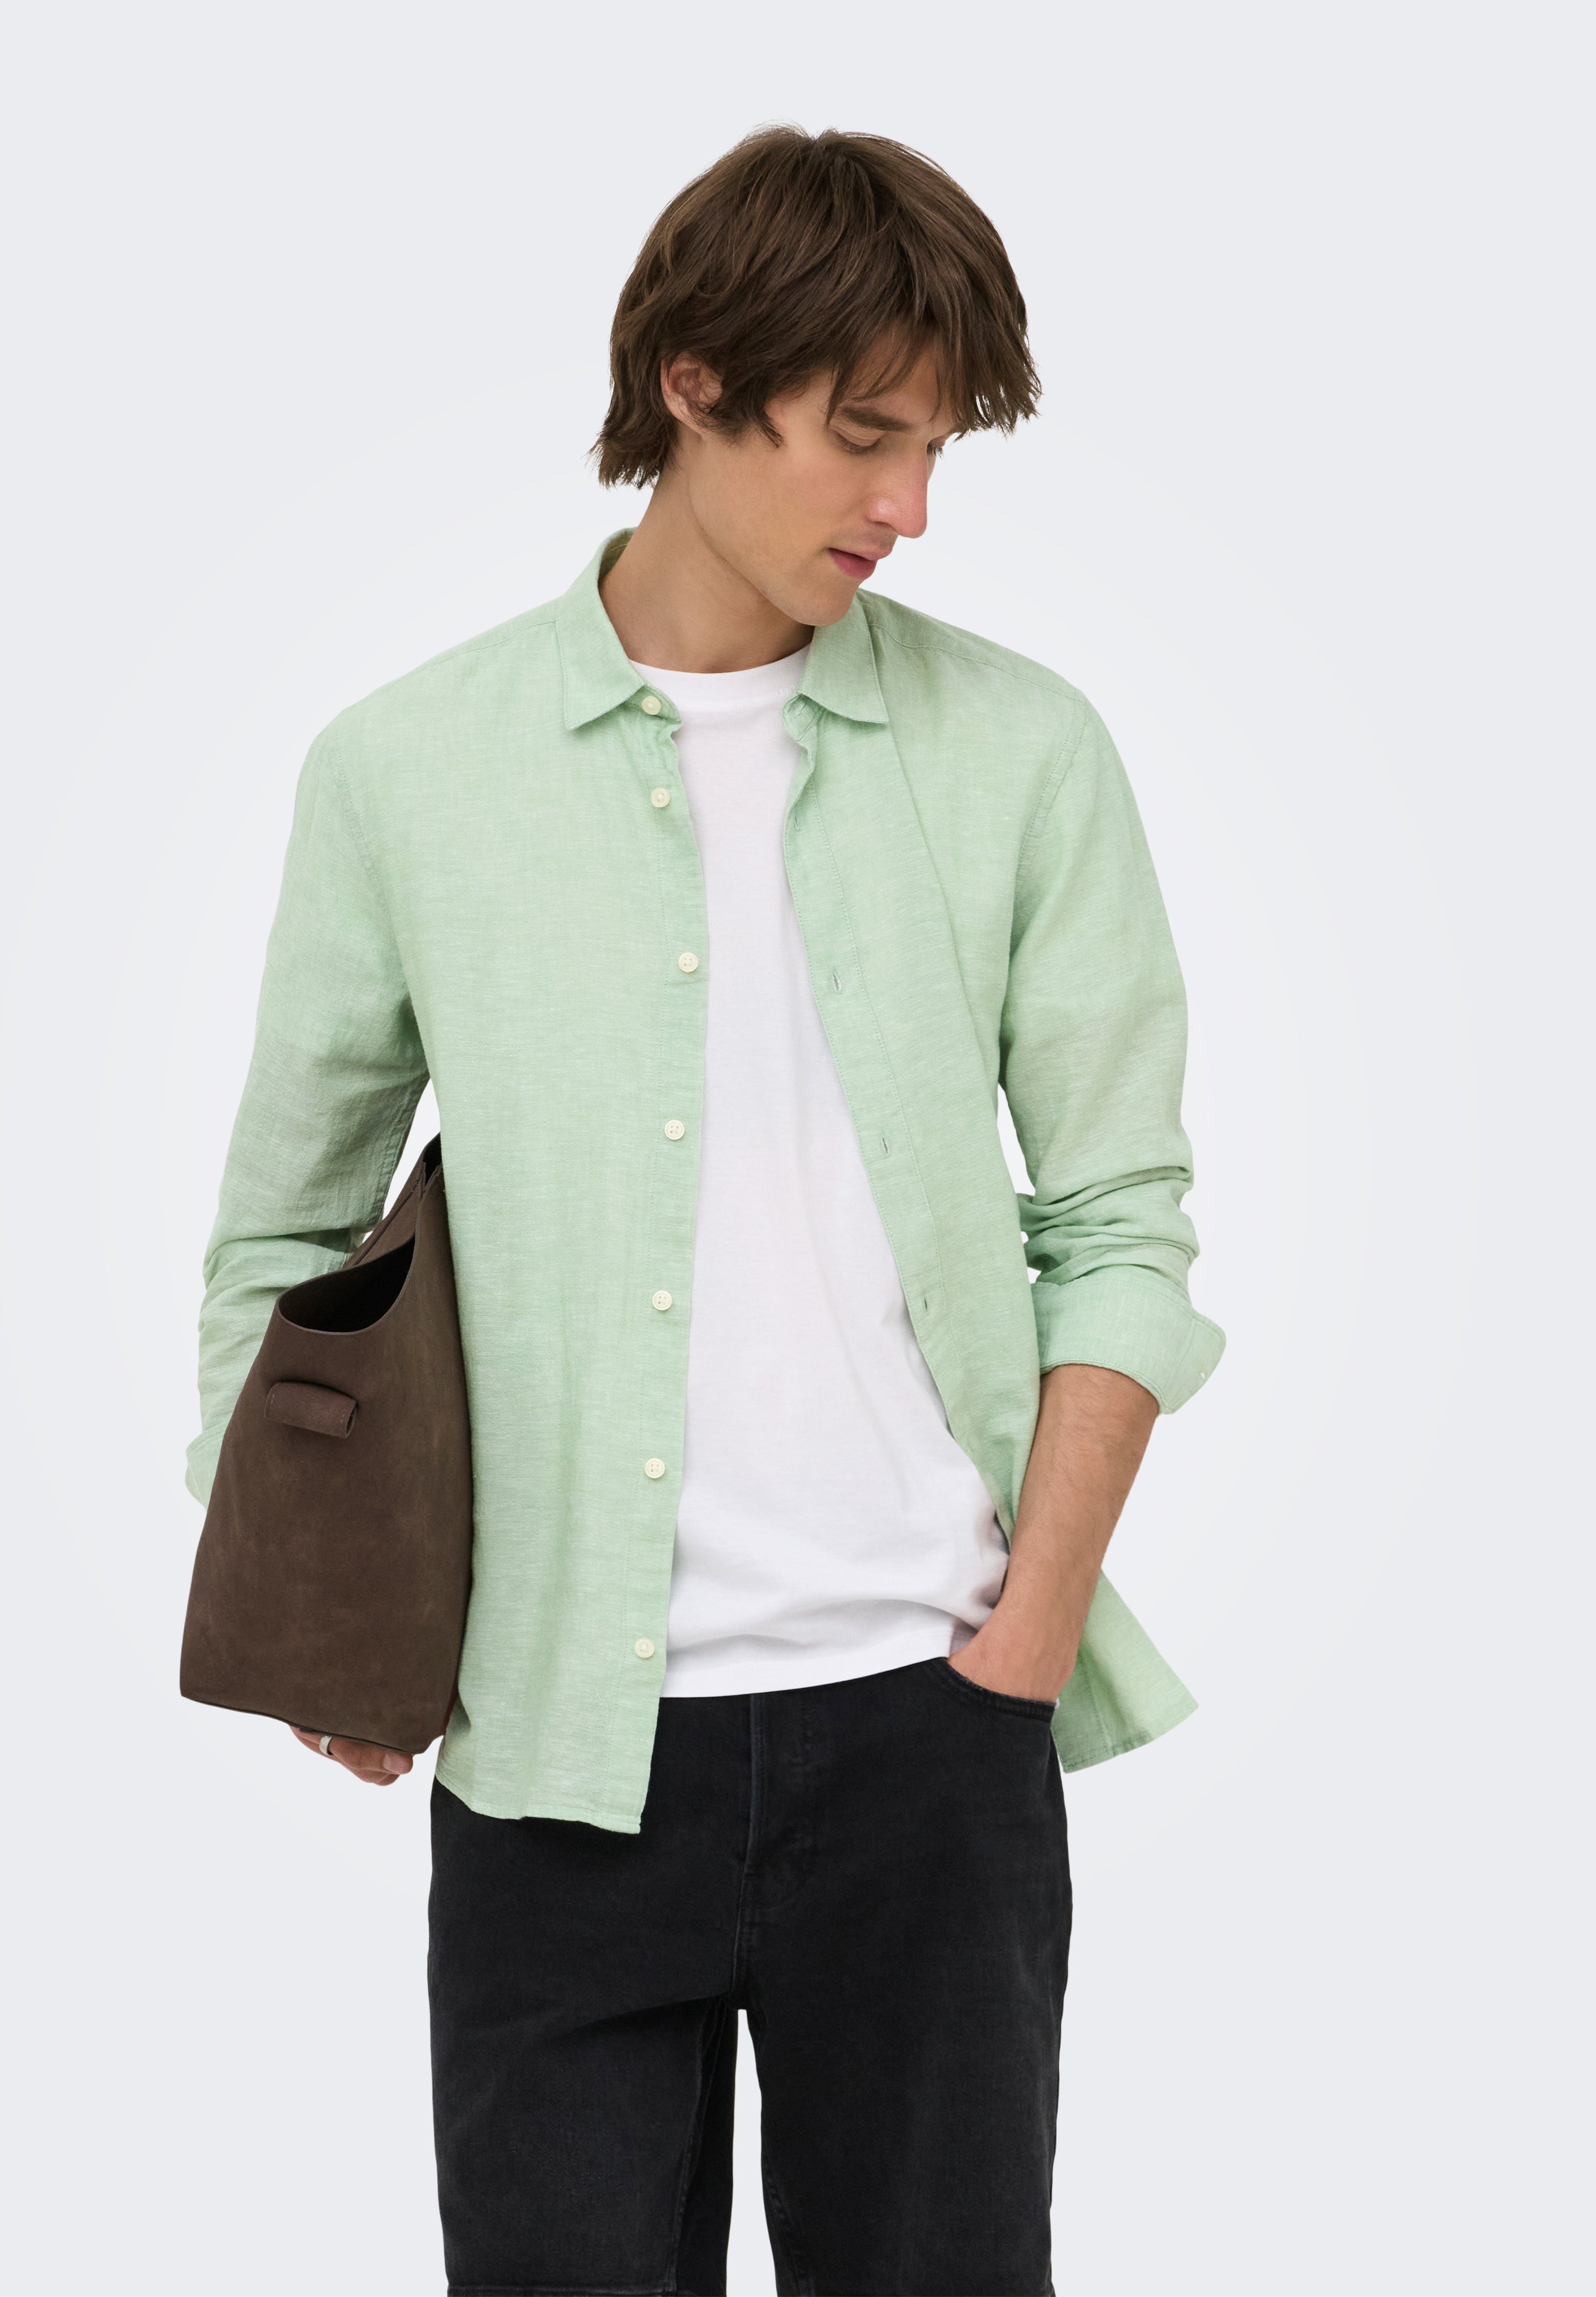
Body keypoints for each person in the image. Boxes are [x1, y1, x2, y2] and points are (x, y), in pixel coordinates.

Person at [189, 125, 1224, 2297]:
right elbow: (283, 1233)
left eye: (937, 447)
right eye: (866, 434)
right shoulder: (410, 772)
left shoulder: (1025, 755)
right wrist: (312, 1598)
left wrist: (1029, 1632)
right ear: (692, 382)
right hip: (556, 1748)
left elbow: (1123, 1215)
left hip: (934, 1727)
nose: (909, 506)